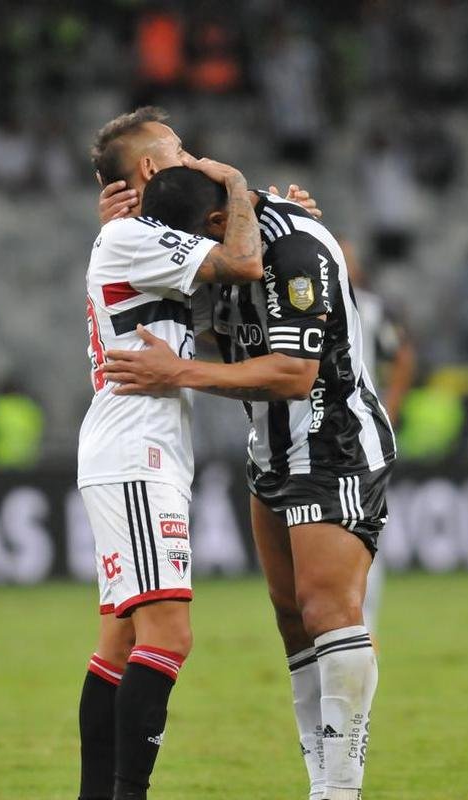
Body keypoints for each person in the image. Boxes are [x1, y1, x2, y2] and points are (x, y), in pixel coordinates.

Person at [103, 171, 396, 800]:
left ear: (216, 225)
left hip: (332, 443)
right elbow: (214, 328)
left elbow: (294, 373)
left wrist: (177, 372)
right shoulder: (227, 241)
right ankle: (320, 778)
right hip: (269, 451)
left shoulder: (297, 249)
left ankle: (339, 792)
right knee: (292, 619)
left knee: (327, 612)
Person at [77, 106, 319, 800]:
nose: (193, 159)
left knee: (119, 647)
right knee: (169, 637)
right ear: (151, 168)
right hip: (135, 449)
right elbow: (241, 262)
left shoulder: (133, 239)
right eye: (179, 150)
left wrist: (283, 221)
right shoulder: (130, 235)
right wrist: (242, 189)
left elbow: (238, 265)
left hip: (134, 445)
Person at [341, 238, 415, 634]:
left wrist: (390, 409)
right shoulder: (298, 303)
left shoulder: (369, 308)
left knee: (367, 525)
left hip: (359, 435)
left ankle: (365, 624)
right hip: (317, 435)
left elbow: (402, 354)